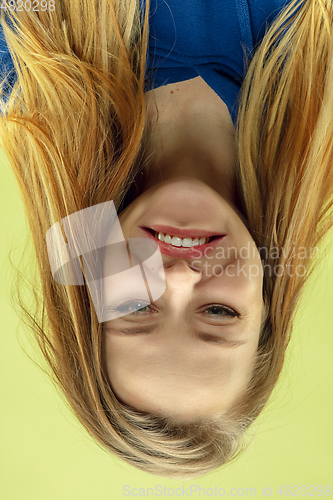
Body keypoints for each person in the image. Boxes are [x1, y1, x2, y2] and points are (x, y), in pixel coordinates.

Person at [0, 0, 332, 479]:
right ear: (267, 299)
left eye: (136, 308)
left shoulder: (23, 51)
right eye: (219, 313)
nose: (178, 278)